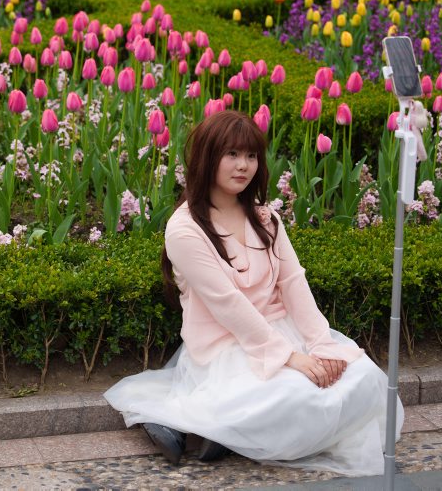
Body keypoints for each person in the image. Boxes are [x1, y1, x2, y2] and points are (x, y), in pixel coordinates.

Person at [104, 110, 401, 476]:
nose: (243, 165)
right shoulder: (185, 230)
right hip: (227, 345)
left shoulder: (265, 218)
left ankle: (229, 431)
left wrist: (321, 345)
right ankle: (209, 423)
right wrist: (289, 358)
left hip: (283, 329)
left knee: (364, 378)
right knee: (295, 394)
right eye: (231, 154)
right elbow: (228, 306)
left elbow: (293, 282)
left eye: (251, 155)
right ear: (208, 158)